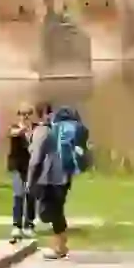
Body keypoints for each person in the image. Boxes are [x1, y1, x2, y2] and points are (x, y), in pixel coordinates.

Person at [27, 103, 90, 260]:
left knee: (47, 213)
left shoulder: (42, 131)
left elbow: (35, 159)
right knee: (56, 211)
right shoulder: (58, 131)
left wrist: (30, 180)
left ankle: (60, 246)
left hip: (47, 178)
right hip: (64, 177)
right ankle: (61, 245)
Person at [7, 103, 39, 241]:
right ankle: (17, 226)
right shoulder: (15, 127)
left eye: (28, 113)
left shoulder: (38, 129)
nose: (25, 116)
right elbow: (13, 133)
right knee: (18, 195)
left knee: (31, 195)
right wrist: (23, 130)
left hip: (32, 167)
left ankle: (29, 225)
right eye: (22, 113)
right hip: (18, 166)